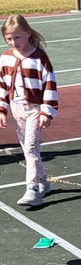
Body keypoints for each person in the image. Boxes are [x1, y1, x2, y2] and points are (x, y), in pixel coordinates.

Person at [0, 14, 57, 207]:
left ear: (27, 33)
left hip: (34, 109)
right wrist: (2, 109)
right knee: (27, 149)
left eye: (17, 37)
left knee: (31, 148)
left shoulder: (39, 57)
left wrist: (46, 111)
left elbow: (50, 83)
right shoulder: (5, 58)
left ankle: (32, 189)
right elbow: (2, 86)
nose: (13, 42)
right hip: (17, 110)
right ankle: (44, 183)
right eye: (9, 38)